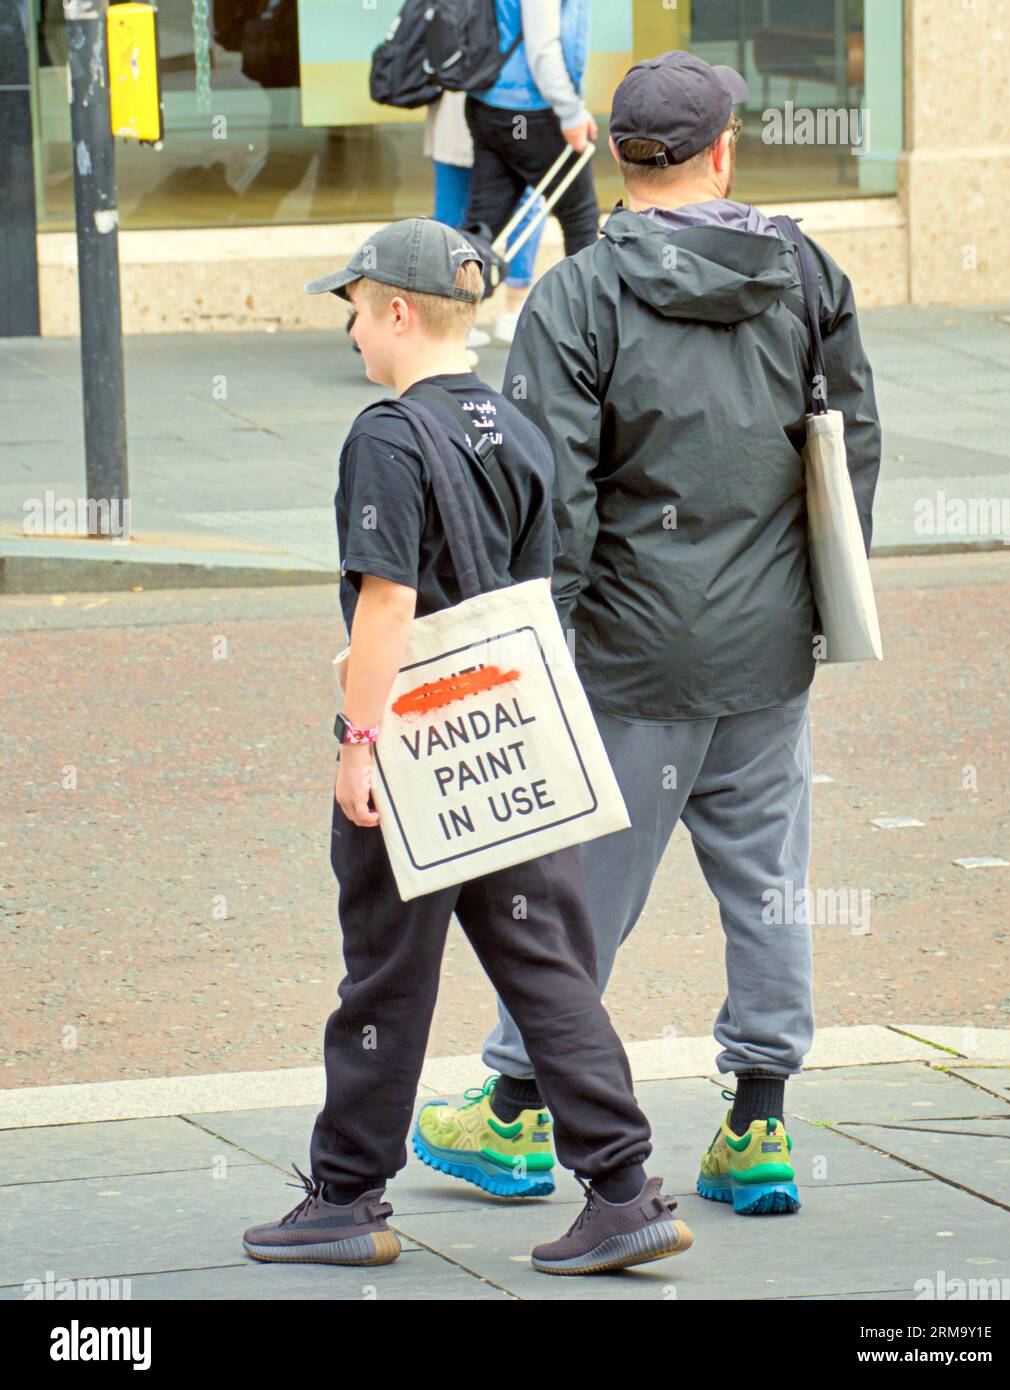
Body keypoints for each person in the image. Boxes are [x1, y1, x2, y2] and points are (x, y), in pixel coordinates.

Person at [420, 51, 882, 1217]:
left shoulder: (576, 297)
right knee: (770, 883)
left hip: (627, 654)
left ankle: (520, 1114)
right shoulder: (804, 268)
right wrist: (816, 603)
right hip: (768, 645)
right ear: (722, 151)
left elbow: (548, 499)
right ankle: (761, 1127)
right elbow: (848, 446)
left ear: (621, 158)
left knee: (578, 892)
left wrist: (543, 648)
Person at [240, 217, 692, 1276]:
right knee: (547, 965)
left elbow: (388, 600)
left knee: (385, 977)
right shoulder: (518, 427)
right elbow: (536, 583)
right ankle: (623, 1189)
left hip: (416, 744)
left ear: (398, 311)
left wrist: (360, 742)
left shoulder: (386, 436)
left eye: (353, 309)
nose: (351, 332)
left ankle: (347, 1195)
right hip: (510, 730)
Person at [462, 0, 598, 342]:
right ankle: (593, 331)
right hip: (529, 111)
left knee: (483, 224)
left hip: (488, 103)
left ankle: (436, 325)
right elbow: (543, 48)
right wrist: (570, 111)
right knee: (580, 219)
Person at [425, 88, 547, 345]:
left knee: (451, 217)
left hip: (451, 120)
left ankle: (449, 317)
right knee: (527, 206)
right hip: (505, 120)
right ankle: (514, 309)